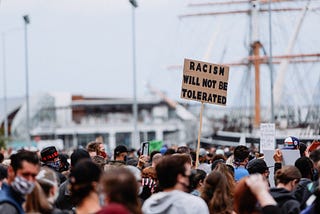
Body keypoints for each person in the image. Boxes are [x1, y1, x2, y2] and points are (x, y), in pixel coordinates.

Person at [142, 154, 209, 214]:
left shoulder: (149, 203)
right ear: (180, 178)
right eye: (189, 173)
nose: (191, 177)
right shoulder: (195, 204)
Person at [0, 150, 40, 214]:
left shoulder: (17, 199)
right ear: (10, 171)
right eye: (25, 174)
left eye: (33, 175)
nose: (30, 180)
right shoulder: (7, 206)